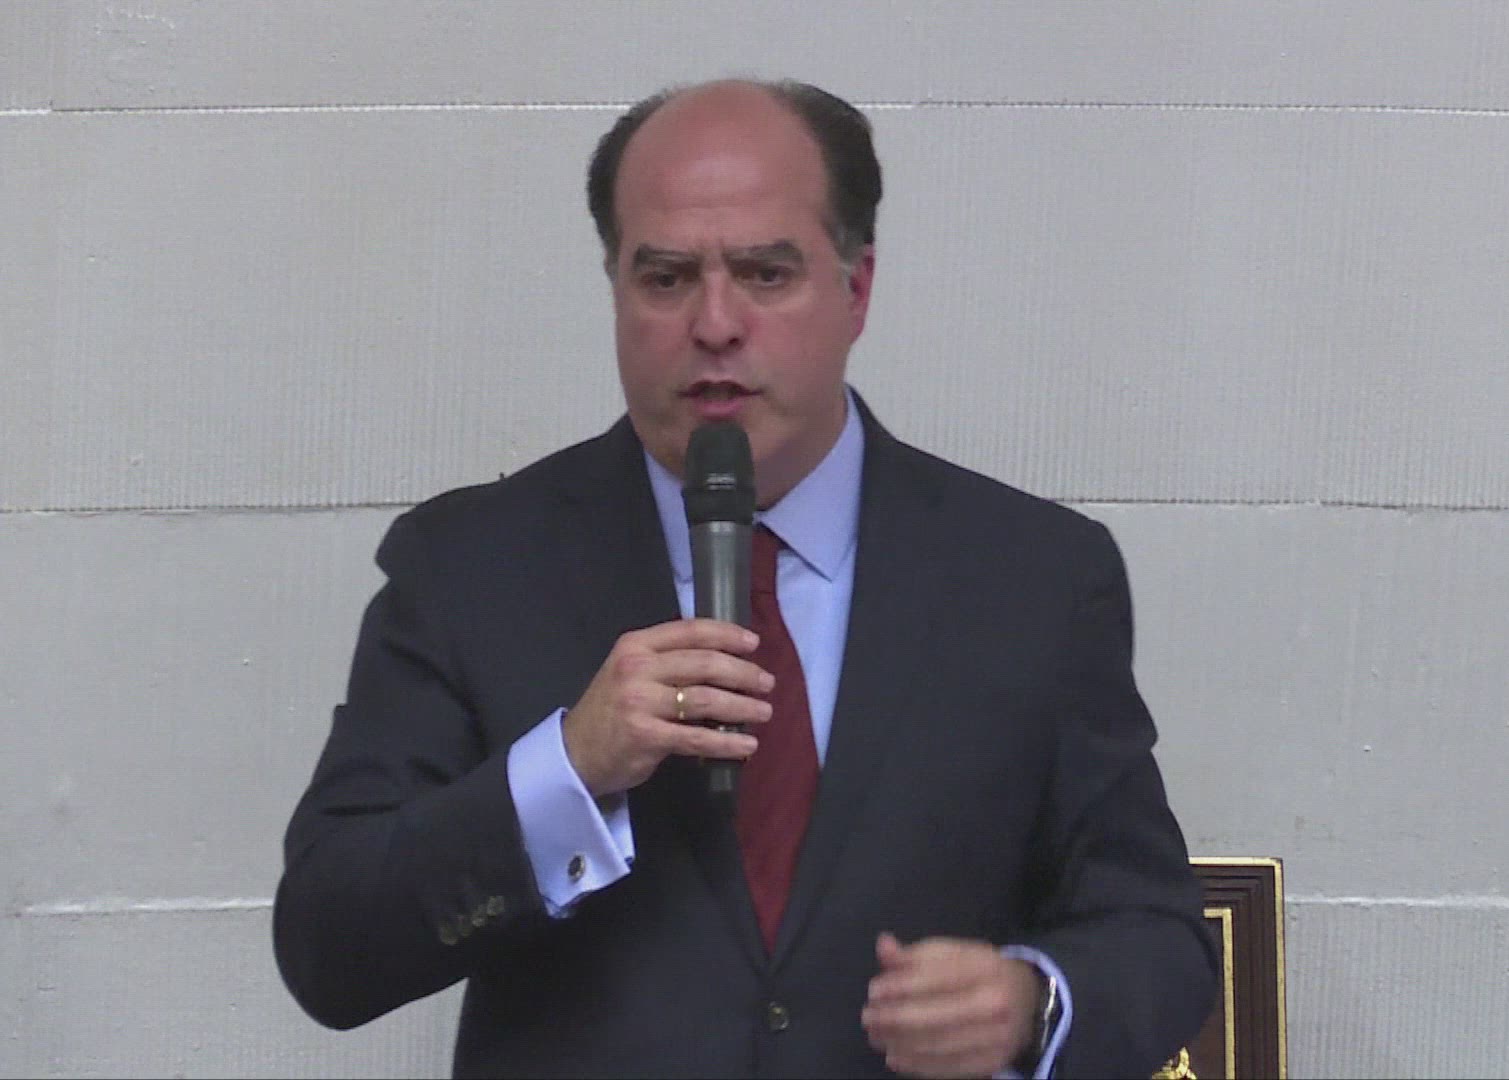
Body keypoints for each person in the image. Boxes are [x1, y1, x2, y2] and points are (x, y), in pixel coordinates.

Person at [273, 77, 1217, 1079]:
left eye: (767, 275)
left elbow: (1156, 932)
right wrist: (568, 769)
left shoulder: (1033, 577)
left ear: (856, 289)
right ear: (616, 288)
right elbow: (329, 947)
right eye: (667, 278)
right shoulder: (470, 566)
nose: (715, 323)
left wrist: (1032, 1002)